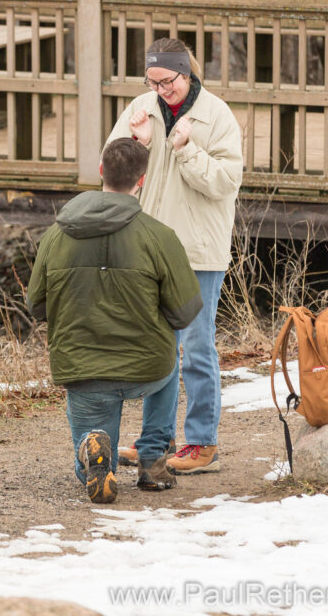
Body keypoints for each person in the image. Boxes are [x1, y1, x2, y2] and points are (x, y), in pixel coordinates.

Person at [26, 137, 202, 504]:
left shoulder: (55, 235)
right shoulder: (160, 236)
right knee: (171, 345)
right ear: (142, 180)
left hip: (83, 369)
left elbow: (37, 306)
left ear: (101, 171)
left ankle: (95, 458)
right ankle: (153, 461)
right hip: (148, 369)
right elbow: (184, 311)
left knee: (89, 460)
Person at [106, 37, 243, 475]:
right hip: (147, 247)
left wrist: (185, 148)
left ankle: (202, 442)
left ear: (187, 72)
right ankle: (155, 441)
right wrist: (139, 142)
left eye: (167, 81)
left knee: (197, 348)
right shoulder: (140, 108)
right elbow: (112, 171)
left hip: (199, 251)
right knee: (154, 346)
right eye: (153, 81)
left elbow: (224, 183)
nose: (160, 90)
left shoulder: (216, 115)